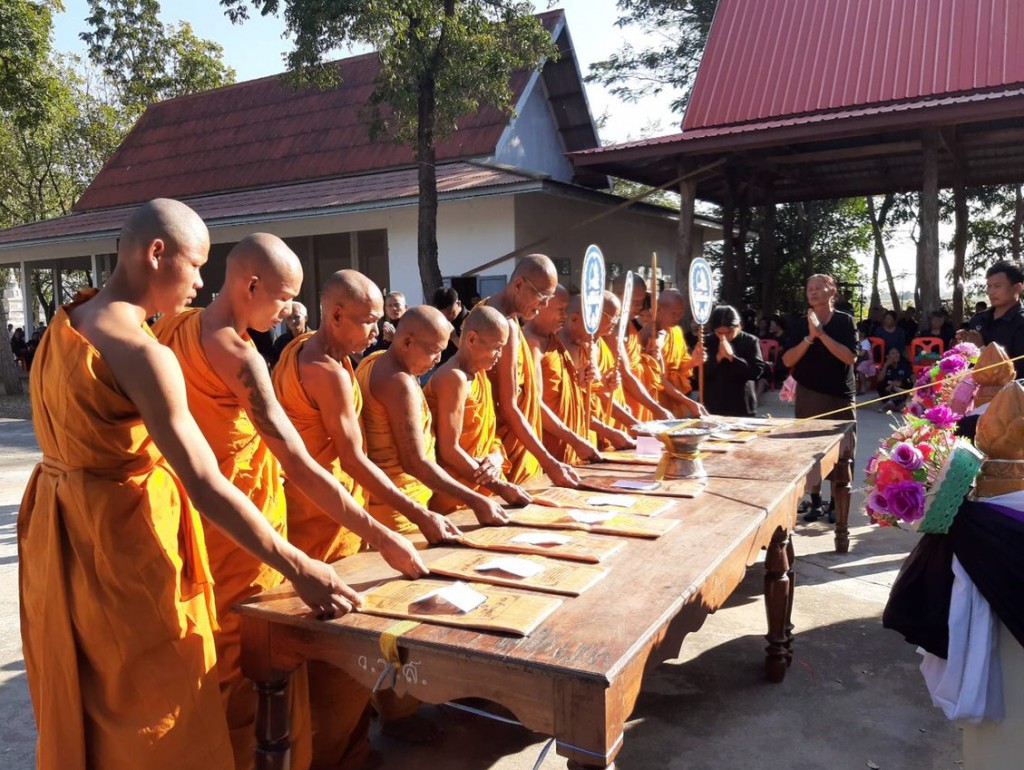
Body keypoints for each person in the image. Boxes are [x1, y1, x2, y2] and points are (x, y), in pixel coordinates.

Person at [18, 199, 356, 770]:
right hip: (125, 550)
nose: (200, 282)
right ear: (156, 253)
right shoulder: (143, 353)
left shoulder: (69, 322)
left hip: (58, 537)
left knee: (88, 692)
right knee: (159, 713)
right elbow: (203, 482)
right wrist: (301, 567)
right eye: (196, 265)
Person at [155, 233, 427, 769]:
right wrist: (385, 535)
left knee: (204, 656)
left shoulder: (171, 328)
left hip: (184, 519)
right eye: (283, 299)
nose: (288, 312)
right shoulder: (239, 355)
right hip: (236, 529)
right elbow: (299, 463)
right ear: (251, 284)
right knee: (249, 665)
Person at [272, 270, 460, 767]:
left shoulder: (313, 353)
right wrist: (414, 515)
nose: (378, 330)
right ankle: (336, 755)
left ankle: (350, 744)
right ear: (334, 315)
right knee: (338, 649)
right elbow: (353, 461)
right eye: (369, 321)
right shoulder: (327, 370)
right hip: (325, 513)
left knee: (337, 646)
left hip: (322, 507)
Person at [354, 305, 510, 534]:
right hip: (400, 508)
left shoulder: (376, 362)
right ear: (407, 342)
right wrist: (476, 500)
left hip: (398, 500)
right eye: (434, 351)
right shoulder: (399, 382)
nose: (438, 359)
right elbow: (415, 462)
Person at [484, 255, 582, 487]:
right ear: (518, 285)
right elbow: (509, 406)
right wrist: (549, 462)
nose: (544, 306)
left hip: (508, 441)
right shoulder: (502, 325)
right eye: (542, 297)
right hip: (501, 448)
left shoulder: (494, 313)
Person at [424, 305, 533, 511]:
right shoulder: (453, 378)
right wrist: (500, 487)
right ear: (472, 339)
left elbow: (491, 438)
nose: (500, 354)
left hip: (483, 488)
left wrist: (495, 457)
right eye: (496, 347)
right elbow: (449, 451)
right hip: (457, 496)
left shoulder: (480, 376)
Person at [781, 274, 858, 523]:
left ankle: (837, 502)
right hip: (809, 394)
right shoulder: (799, 324)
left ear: (832, 290)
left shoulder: (845, 321)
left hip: (840, 395)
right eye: (809, 288)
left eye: (818, 287)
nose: (813, 292)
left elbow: (849, 357)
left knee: (843, 452)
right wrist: (810, 337)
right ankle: (814, 500)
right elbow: (787, 360)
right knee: (809, 450)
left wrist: (822, 335)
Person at [524, 286, 602, 466]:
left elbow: (566, 392)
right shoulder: (531, 343)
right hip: (548, 447)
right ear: (542, 305)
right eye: (561, 310)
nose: (565, 316)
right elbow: (535, 404)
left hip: (570, 445)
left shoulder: (555, 342)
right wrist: (574, 440)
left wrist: (583, 378)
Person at [610, 272, 673, 424]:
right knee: (632, 445)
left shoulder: (629, 325)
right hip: (620, 406)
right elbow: (625, 373)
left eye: (641, 301)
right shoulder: (610, 329)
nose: (639, 307)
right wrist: (656, 408)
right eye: (636, 301)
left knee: (649, 446)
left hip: (639, 402)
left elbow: (636, 360)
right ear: (619, 295)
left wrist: (650, 355)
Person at [961, 260, 1024, 378]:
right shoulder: (978, 319)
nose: (991, 292)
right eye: (989, 286)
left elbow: (1017, 372)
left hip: (1010, 394)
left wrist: (981, 349)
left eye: (997, 286)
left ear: (1017, 287)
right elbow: (969, 363)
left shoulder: (1020, 323)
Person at [648, 288, 704, 418]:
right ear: (659, 309)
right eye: (674, 314)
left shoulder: (677, 331)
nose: (678, 318)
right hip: (656, 399)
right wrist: (688, 402)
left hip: (676, 399)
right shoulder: (650, 334)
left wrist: (693, 362)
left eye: (680, 314)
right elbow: (658, 378)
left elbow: (679, 369)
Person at [701, 305, 767, 417]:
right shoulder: (707, 341)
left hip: (742, 405)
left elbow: (756, 372)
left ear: (739, 326)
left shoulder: (750, 341)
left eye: (729, 333)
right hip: (713, 405)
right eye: (720, 333)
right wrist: (717, 358)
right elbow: (698, 374)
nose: (724, 338)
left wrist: (732, 357)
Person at [594, 291, 640, 437]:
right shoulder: (581, 346)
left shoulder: (601, 341)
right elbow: (589, 394)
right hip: (596, 424)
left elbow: (601, 387)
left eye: (617, 317)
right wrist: (634, 424)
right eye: (612, 317)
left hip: (615, 417)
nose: (615, 321)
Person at [431, 286, 467, 365]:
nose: (448, 317)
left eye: (451, 312)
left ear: (458, 303)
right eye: (444, 315)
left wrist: (454, 337)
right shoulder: (435, 320)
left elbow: (474, 353)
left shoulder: (471, 320)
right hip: (440, 369)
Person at [365, 291, 407, 355]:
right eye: (390, 306)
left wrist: (394, 339)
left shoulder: (410, 326)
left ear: (405, 307)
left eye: (397, 305)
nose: (393, 308)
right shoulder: (384, 330)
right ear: (386, 309)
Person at [270, 300, 309, 367]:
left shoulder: (314, 338)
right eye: (289, 318)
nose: (293, 321)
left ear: (305, 318)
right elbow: (276, 366)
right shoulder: (281, 342)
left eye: (297, 317)